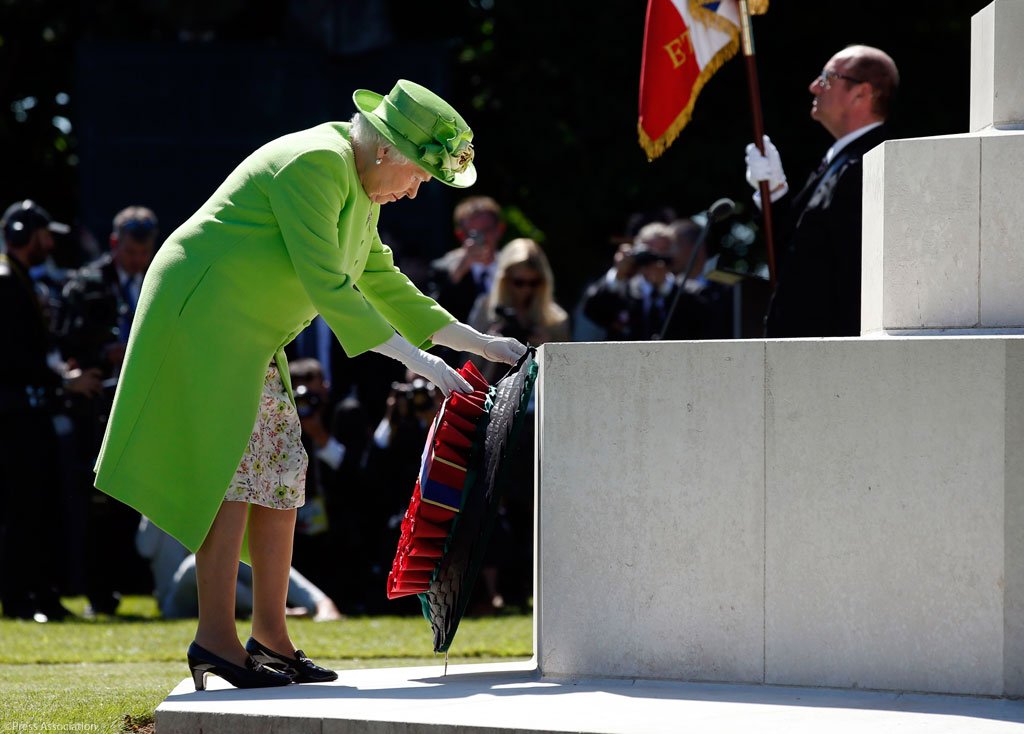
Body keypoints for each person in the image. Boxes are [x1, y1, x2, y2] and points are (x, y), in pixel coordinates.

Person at [92, 80, 526, 691]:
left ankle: (271, 637)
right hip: (204, 315)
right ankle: (214, 640)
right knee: (232, 472)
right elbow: (330, 285)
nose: (415, 190)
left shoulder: (362, 180)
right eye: (419, 174)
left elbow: (381, 278)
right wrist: (421, 363)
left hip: (248, 329)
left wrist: (476, 342)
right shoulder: (318, 163)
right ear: (387, 150)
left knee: (280, 470)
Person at [745, 44, 899, 337]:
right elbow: (796, 247)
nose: (814, 86)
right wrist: (774, 192)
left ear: (862, 93)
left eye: (828, 78)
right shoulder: (843, 160)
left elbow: (845, 268)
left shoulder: (869, 163)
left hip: (831, 345)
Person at [0, 200, 102, 622]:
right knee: (22, 509)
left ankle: (42, 595)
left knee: (41, 507)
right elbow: (11, 358)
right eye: (43, 233)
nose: (49, 242)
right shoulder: (6, 281)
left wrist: (59, 374)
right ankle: (20, 599)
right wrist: (64, 382)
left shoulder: (21, 278)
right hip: (15, 418)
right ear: (25, 234)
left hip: (31, 414)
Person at [59, 206, 159, 616]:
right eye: (131, 251)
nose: (137, 260)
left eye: (144, 252)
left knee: (132, 503)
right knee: (96, 502)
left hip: (143, 406)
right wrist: (104, 352)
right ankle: (98, 593)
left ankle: (131, 584)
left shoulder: (158, 280)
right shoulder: (87, 284)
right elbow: (66, 340)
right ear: (115, 243)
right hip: (97, 409)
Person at [135, 517, 342, 621]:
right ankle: (274, 611)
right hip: (174, 603)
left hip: (219, 591)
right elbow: (144, 548)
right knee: (195, 565)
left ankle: (320, 603)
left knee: (245, 557)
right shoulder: (158, 505)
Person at [467, 237, 569, 381]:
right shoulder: (486, 309)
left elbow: (566, 374)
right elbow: (469, 365)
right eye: (519, 282)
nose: (526, 289)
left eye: (533, 283)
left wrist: (547, 349)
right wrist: (487, 345)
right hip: (492, 389)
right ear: (505, 280)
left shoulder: (556, 320)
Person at [428, 195, 506, 322]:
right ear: (460, 235)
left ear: (500, 229)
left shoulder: (512, 267)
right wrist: (459, 271)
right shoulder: (443, 269)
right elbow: (432, 315)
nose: (482, 239)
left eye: (487, 230)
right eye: (473, 234)